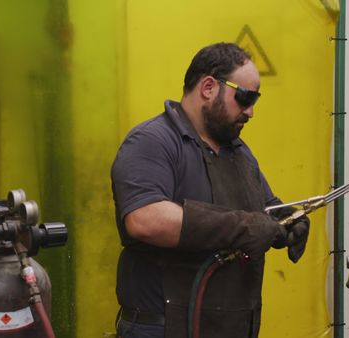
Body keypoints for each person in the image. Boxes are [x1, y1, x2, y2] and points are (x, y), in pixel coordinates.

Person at [111, 42, 310, 338]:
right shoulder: (153, 142)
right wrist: (244, 227)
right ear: (208, 87)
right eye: (245, 98)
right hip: (165, 328)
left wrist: (288, 218)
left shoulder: (239, 152)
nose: (251, 111)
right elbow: (145, 219)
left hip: (229, 327)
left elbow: (263, 208)